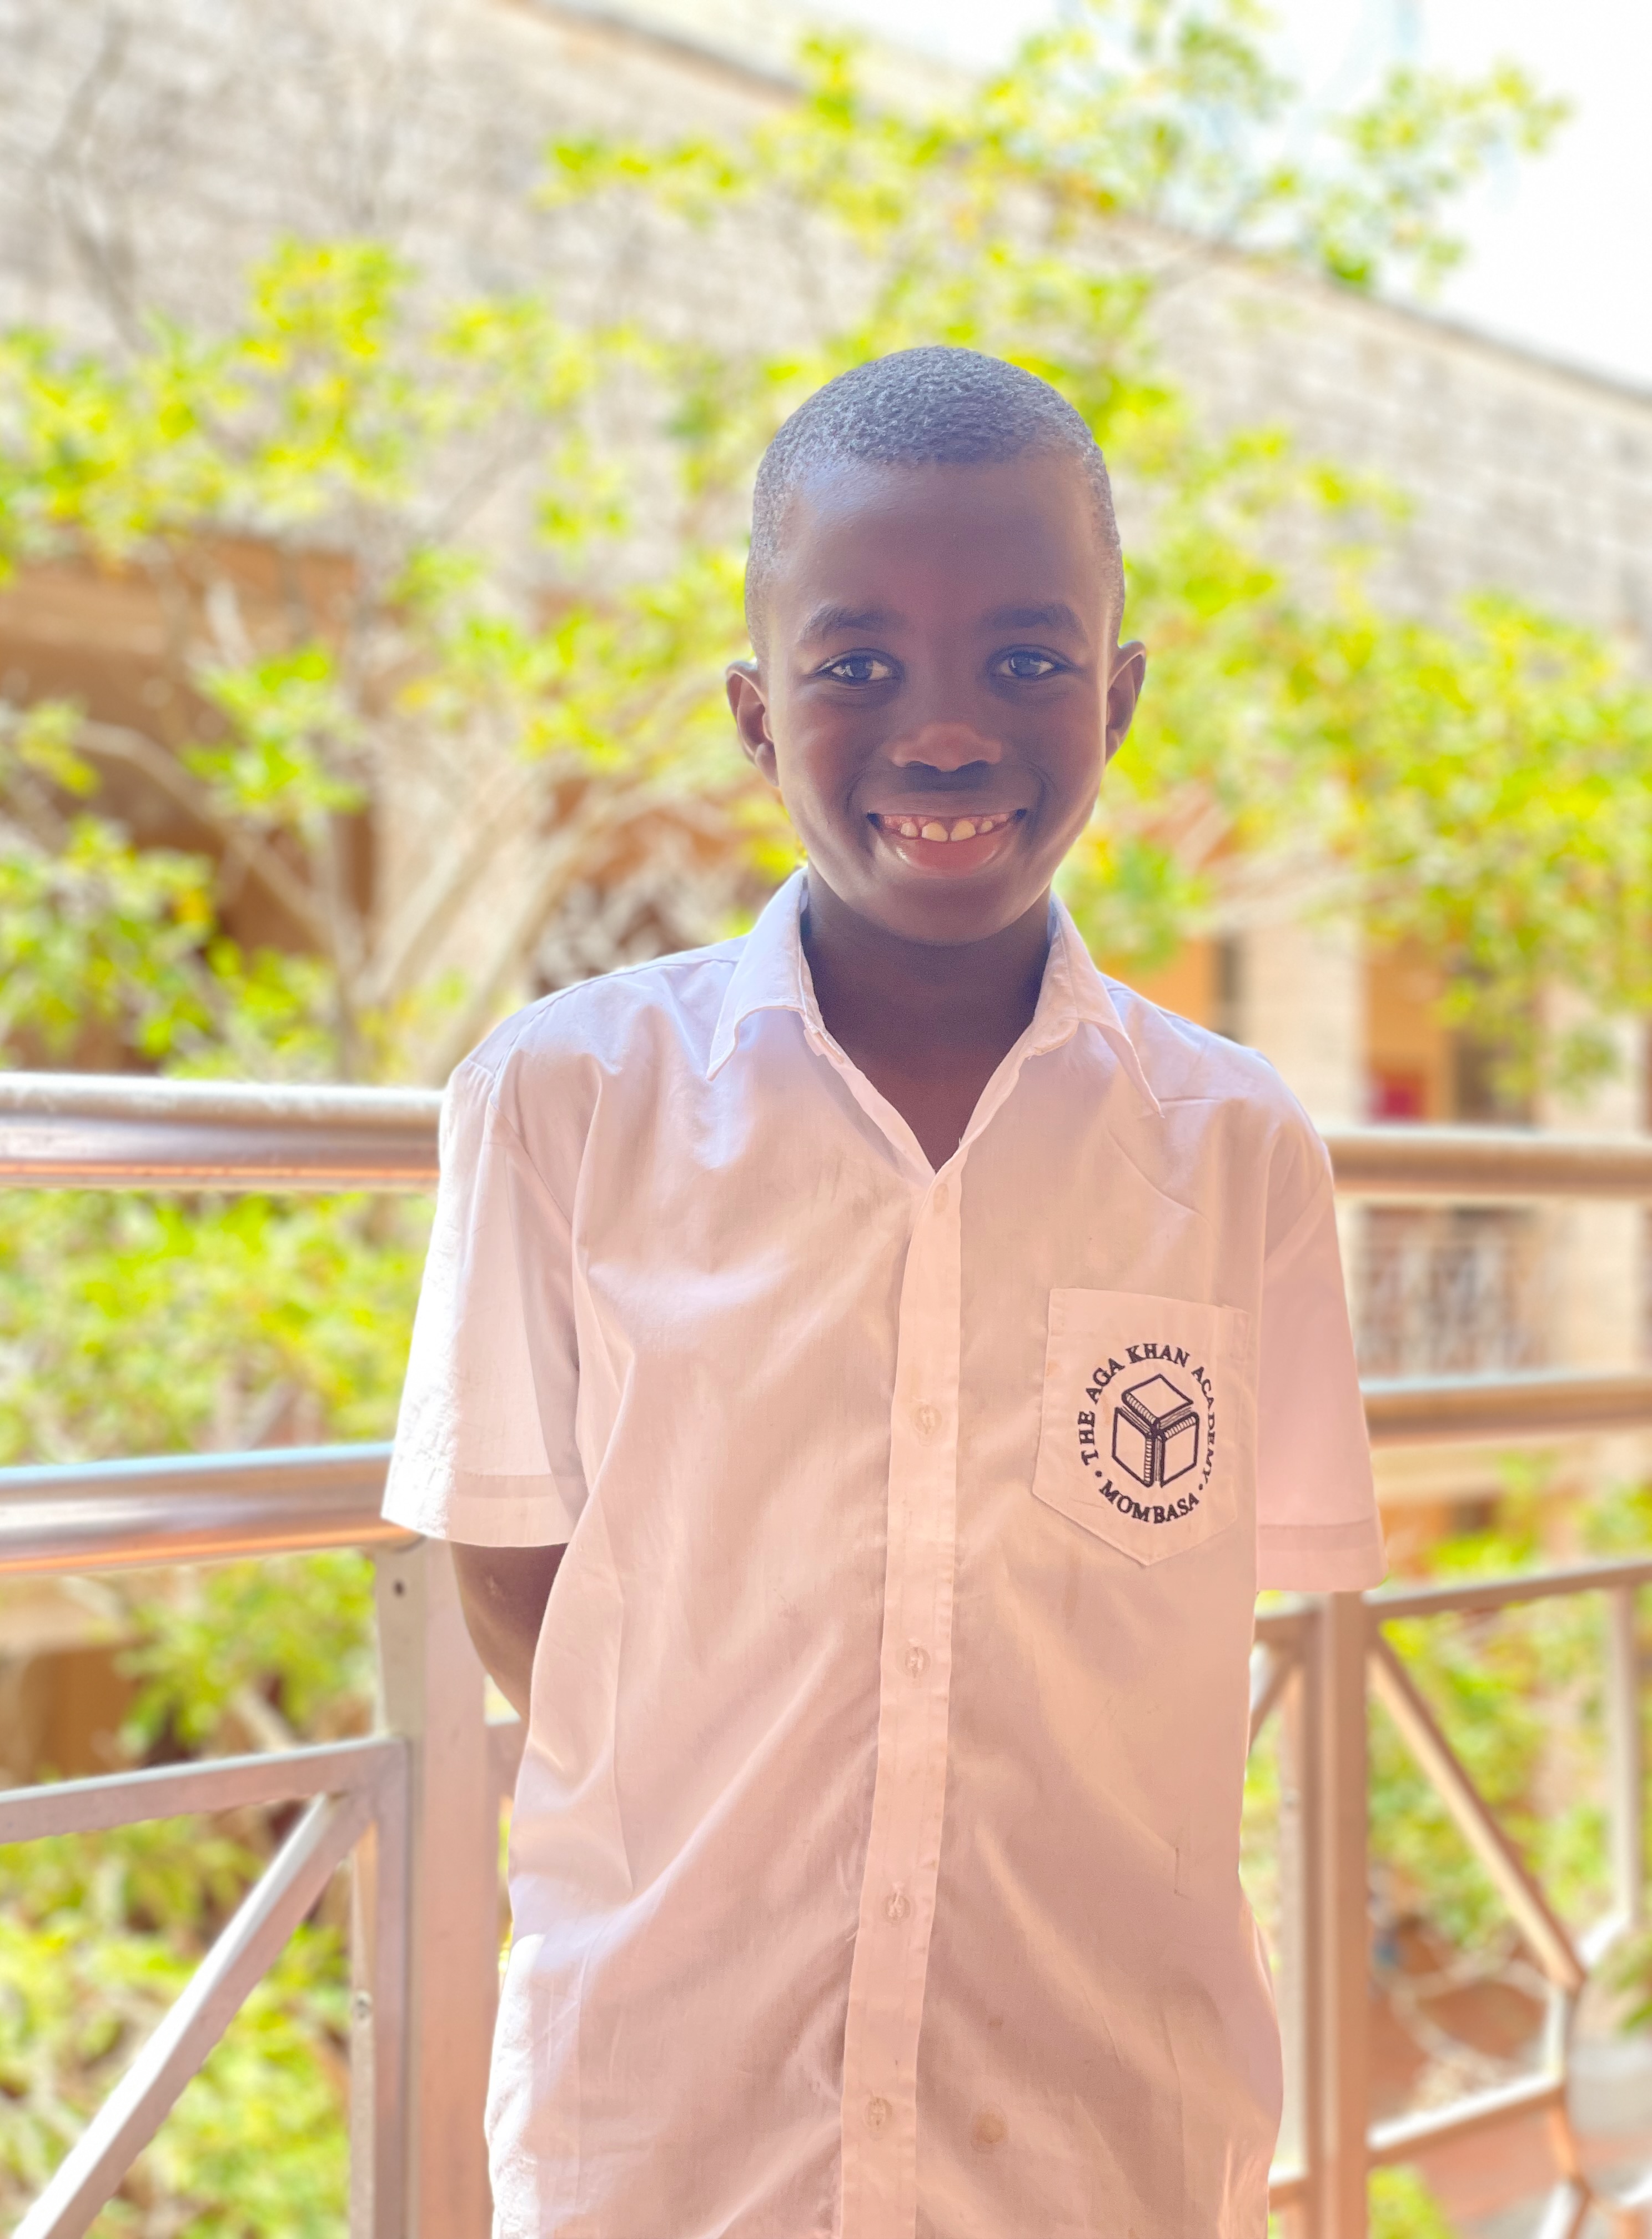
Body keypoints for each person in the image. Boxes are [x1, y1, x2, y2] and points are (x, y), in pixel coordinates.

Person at [383, 344, 1384, 2239]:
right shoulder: (565, 1101)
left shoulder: (1233, 1146)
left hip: (1103, 2127)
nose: (942, 733)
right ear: (757, 716)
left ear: (1120, 696)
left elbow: (1212, 1598)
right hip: (675, 2119)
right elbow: (518, 1569)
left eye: (1024, 660)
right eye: (857, 668)